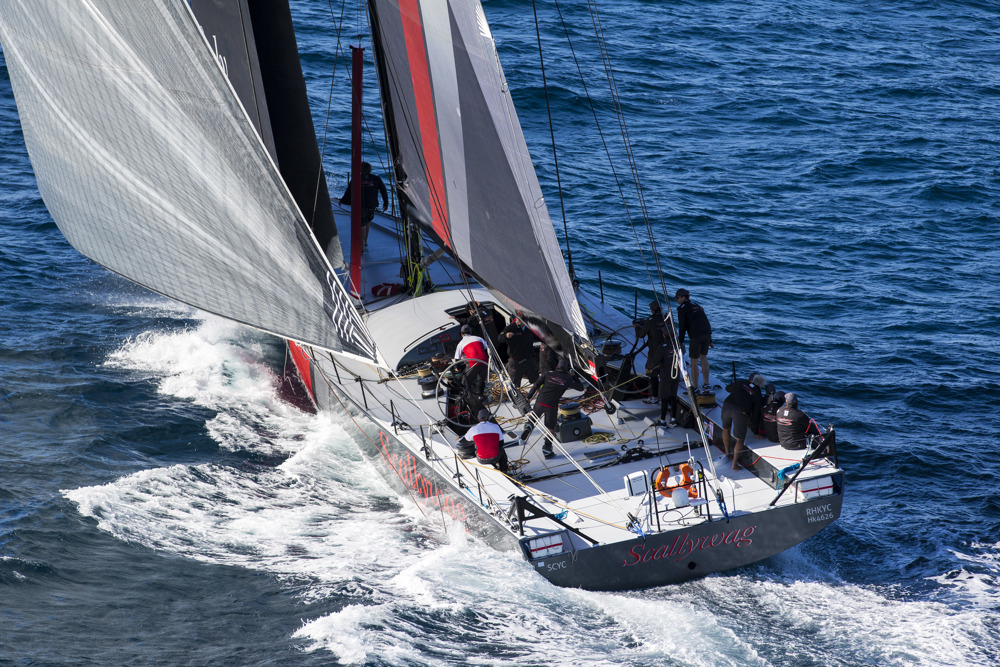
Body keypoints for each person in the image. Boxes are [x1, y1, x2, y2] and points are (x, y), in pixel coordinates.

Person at [521, 358, 584, 459]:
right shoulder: (567, 379)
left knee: (533, 419)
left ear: (556, 366)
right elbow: (581, 388)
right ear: (567, 369)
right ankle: (547, 450)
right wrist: (574, 376)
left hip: (540, 402)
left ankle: (528, 427)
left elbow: (536, 384)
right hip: (551, 406)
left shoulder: (547, 374)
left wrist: (528, 397)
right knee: (551, 429)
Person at [339, 161, 388, 249]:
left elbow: (349, 191)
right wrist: (386, 204)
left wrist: (342, 200)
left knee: (360, 225)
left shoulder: (356, 178)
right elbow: (384, 191)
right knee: (366, 222)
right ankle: (364, 242)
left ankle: (361, 247)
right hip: (371, 205)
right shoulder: (376, 178)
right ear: (369, 169)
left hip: (359, 204)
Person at [720, 373, 764, 470]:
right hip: (739, 412)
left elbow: (728, 388)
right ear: (760, 385)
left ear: (751, 380)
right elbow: (756, 414)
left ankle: (727, 454)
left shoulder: (742, 383)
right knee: (740, 439)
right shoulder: (757, 392)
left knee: (726, 429)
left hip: (727, 405)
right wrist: (755, 431)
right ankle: (734, 465)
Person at [674, 288, 713, 393]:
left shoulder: (682, 309)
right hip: (707, 333)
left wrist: (679, 342)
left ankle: (695, 388)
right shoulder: (698, 306)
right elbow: (705, 321)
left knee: (694, 362)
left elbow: (682, 327)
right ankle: (706, 384)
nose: (676, 300)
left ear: (683, 297)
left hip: (696, 336)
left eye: (677, 298)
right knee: (703, 358)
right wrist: (710, 340)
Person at [454, 324, 489, 417]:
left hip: (473, 364)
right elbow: (485, 349)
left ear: (462, 334)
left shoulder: (460, 343)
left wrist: (458, 368)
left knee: (464, 383)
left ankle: (467, 400)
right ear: (471, 332)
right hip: (485, 362)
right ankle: (481, 396)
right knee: (481, 379)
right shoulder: (479, 338)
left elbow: (457, 359)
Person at [635, 300, 667, 405]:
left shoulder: (650, 320)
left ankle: (655, 398)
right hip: (667, 350)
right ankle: (664, 397)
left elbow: (641, 335)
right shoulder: (666, 318)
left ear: (652, 310)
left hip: (654, 352)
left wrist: (637, 327)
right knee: (663, 374)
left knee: (652, 373)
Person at [502, 315, 538, 389]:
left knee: (536, 380)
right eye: (518, 319)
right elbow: (500, 338)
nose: (519, 321)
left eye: (521, 319)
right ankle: (518, 397)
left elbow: (538, 336)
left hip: (528, 358)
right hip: (516, 360)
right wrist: (506, 335)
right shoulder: (511, 328)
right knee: (515, 383)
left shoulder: (529, 327)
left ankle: (539, 394)